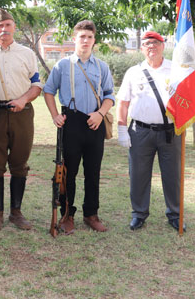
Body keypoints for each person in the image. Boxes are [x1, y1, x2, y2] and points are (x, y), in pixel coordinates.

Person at [43, 20, 114, 234]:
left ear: (94, 41)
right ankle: (67, 214)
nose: (85, 40)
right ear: (74, 39)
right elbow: (48, 91)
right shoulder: (63, 65)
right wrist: (55, 115)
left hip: (95, 123)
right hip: (71, 122)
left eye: (89, 37)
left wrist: (100, 114)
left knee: (93, 172)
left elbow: (110, 95)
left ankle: (91, 214)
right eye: (82, 37)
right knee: (68, 173)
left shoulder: (102, 67)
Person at [0, 8, 42, 232]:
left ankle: (16, 212)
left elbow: (37, 85)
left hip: (21, 113)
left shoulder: (27, 54)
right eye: (0, 26)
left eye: (8, 25)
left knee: (19, 163)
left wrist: (23, 100)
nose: (4, 29)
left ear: (14, 27)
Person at [116, 31, 184, 232]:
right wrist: (121, 128)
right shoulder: (133, 72)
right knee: (138, 174)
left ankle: (175, 214)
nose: (151, 46)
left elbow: (187, 99)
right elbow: (123, 103)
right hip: (140, 131)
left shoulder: (176, 70)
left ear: (163, 45)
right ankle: (139, 214)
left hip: (170, 132)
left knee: (172, 175)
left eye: (155, 42)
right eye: (147, 43)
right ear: (141, 48)